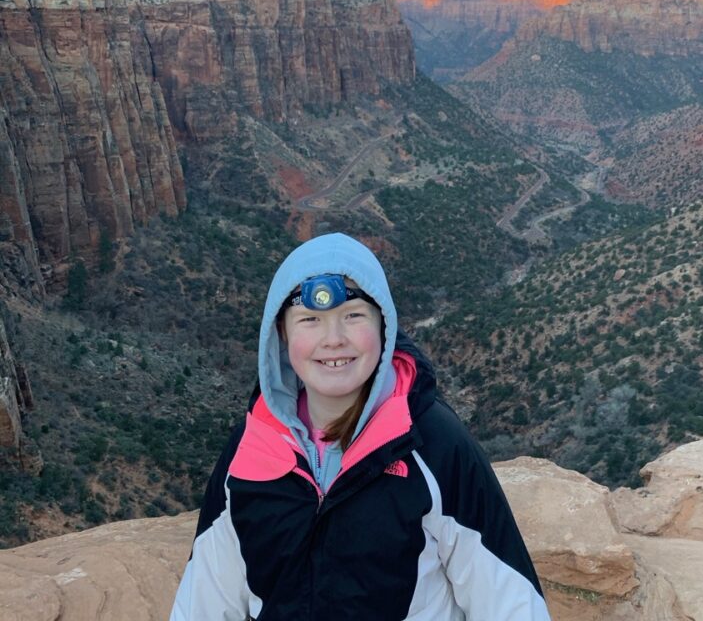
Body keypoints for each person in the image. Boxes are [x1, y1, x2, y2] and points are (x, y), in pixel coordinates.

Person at [170, 232, 551, 620]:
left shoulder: (432, 445)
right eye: (310, 320)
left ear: (384, 325)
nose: (333, 340)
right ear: (282, 334)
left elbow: (510, 603)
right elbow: (206, 599)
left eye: (353, 316)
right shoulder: (251, 450)